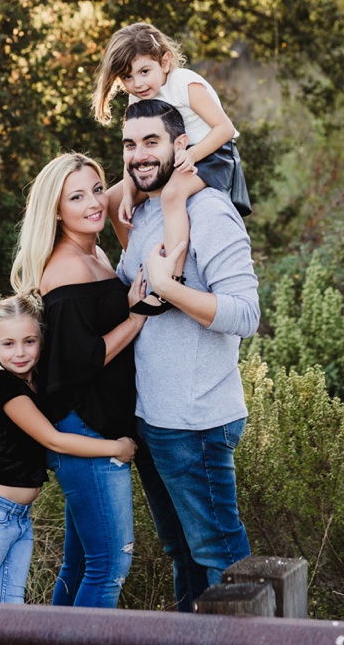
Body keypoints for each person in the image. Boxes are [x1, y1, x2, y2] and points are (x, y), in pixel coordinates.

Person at [112, 98, 261, 612]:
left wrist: (166, 289)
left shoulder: (209, 210)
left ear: (181, 145)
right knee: (185, 557)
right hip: (152, 420)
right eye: (130, 144)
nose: (139, 154)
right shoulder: (152, 209)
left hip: (196, 421)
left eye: (151, 141)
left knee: (221, 558)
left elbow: (245, 314)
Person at [12, 152, 151, 608]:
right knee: (110, 565)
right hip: (84, 430)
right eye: (76, 196)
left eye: (96, 189)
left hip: (93, 423)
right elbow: (83, 360)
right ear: (56, 210)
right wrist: (137, 317)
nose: (94, 203)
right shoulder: (67, 268)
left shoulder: (93, 253)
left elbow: (119, 196)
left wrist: (127, 188)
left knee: (80, 565)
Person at [0, 292, 139, 603]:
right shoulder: (3, 387)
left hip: (19, 517)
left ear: (41, 340)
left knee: (9, 609)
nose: (20, 353)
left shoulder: (34, 382)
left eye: (29, 341)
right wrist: (114, 448)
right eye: (8, 344)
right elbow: (53, 439)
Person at [93, 22, 248, 253]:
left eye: (144, 71)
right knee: (112, 201)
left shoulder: (185, 83)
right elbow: (134, 151)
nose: (138, 83)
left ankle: (172, 272)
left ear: (164, 62)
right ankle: (137, 261)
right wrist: (127, 194)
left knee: (172, 194)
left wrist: (192, 155)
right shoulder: (138, 98)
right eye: (127, 77)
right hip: (169, 159)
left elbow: (224, 128)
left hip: (212, 156)